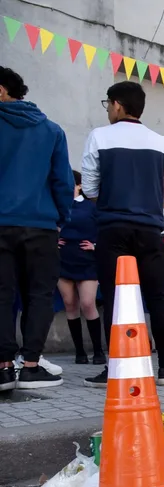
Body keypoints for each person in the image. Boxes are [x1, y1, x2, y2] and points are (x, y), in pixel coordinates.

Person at [80, 80, 164, 387]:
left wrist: (110, 203)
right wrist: (147, 208)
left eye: (108, 104)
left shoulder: (100, 136)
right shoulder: (162, 143)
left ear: (117, 105)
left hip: (112, 228)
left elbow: (89, 186)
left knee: (114, 297)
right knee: (157, 297)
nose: (108, 110)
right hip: (150, 230)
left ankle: (115, 367)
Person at [0, 67, 73, 391]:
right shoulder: (51, 130)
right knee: (40, 294)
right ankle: (30, 366)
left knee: (1, 295)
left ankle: (3, 368)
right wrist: (60, 219)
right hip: (41, 225)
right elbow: (62, 182)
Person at [58, 170, 105, 365]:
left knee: (87, 303)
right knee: (70, 304)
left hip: (87, 260)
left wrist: (95, 246)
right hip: (63, 259)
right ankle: (79, 352)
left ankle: (98, 350)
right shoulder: (58, 205)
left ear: (79, 185)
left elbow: (104, 229)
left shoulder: (91, 206)